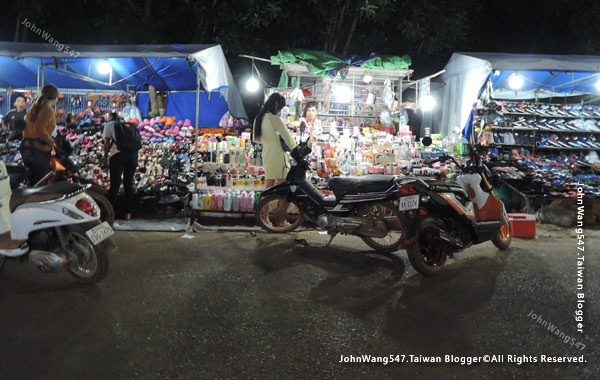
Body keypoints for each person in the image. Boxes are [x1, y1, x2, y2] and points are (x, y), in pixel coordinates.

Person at [253, 93, 296, 188]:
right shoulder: (275, 119)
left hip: (267, 156)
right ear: (276, 105)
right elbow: (289, 139)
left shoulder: (258, 118)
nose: (280, 111)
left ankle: (264, 203)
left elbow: (257, 139)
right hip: (278, 157)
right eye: (280, 108)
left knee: (269, 187)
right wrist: (296, 149)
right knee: (283, 188)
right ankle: (278, 204)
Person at [103, 112, 140, 220]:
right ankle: (128, 213)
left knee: (115, 184)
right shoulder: (127, 125)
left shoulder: (109, 125)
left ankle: (109, 213)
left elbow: (106, 143)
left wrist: (105, 158)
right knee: (128, 183)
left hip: (117, 156)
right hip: (133, 155)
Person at [21, 85, 59, 185]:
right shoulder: (48, 111)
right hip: (39, 152)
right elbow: (40, 130)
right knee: (42, 184)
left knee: (32, 181)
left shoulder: (33, 108)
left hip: (27, 149)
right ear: (55, 98)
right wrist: (53, 142)